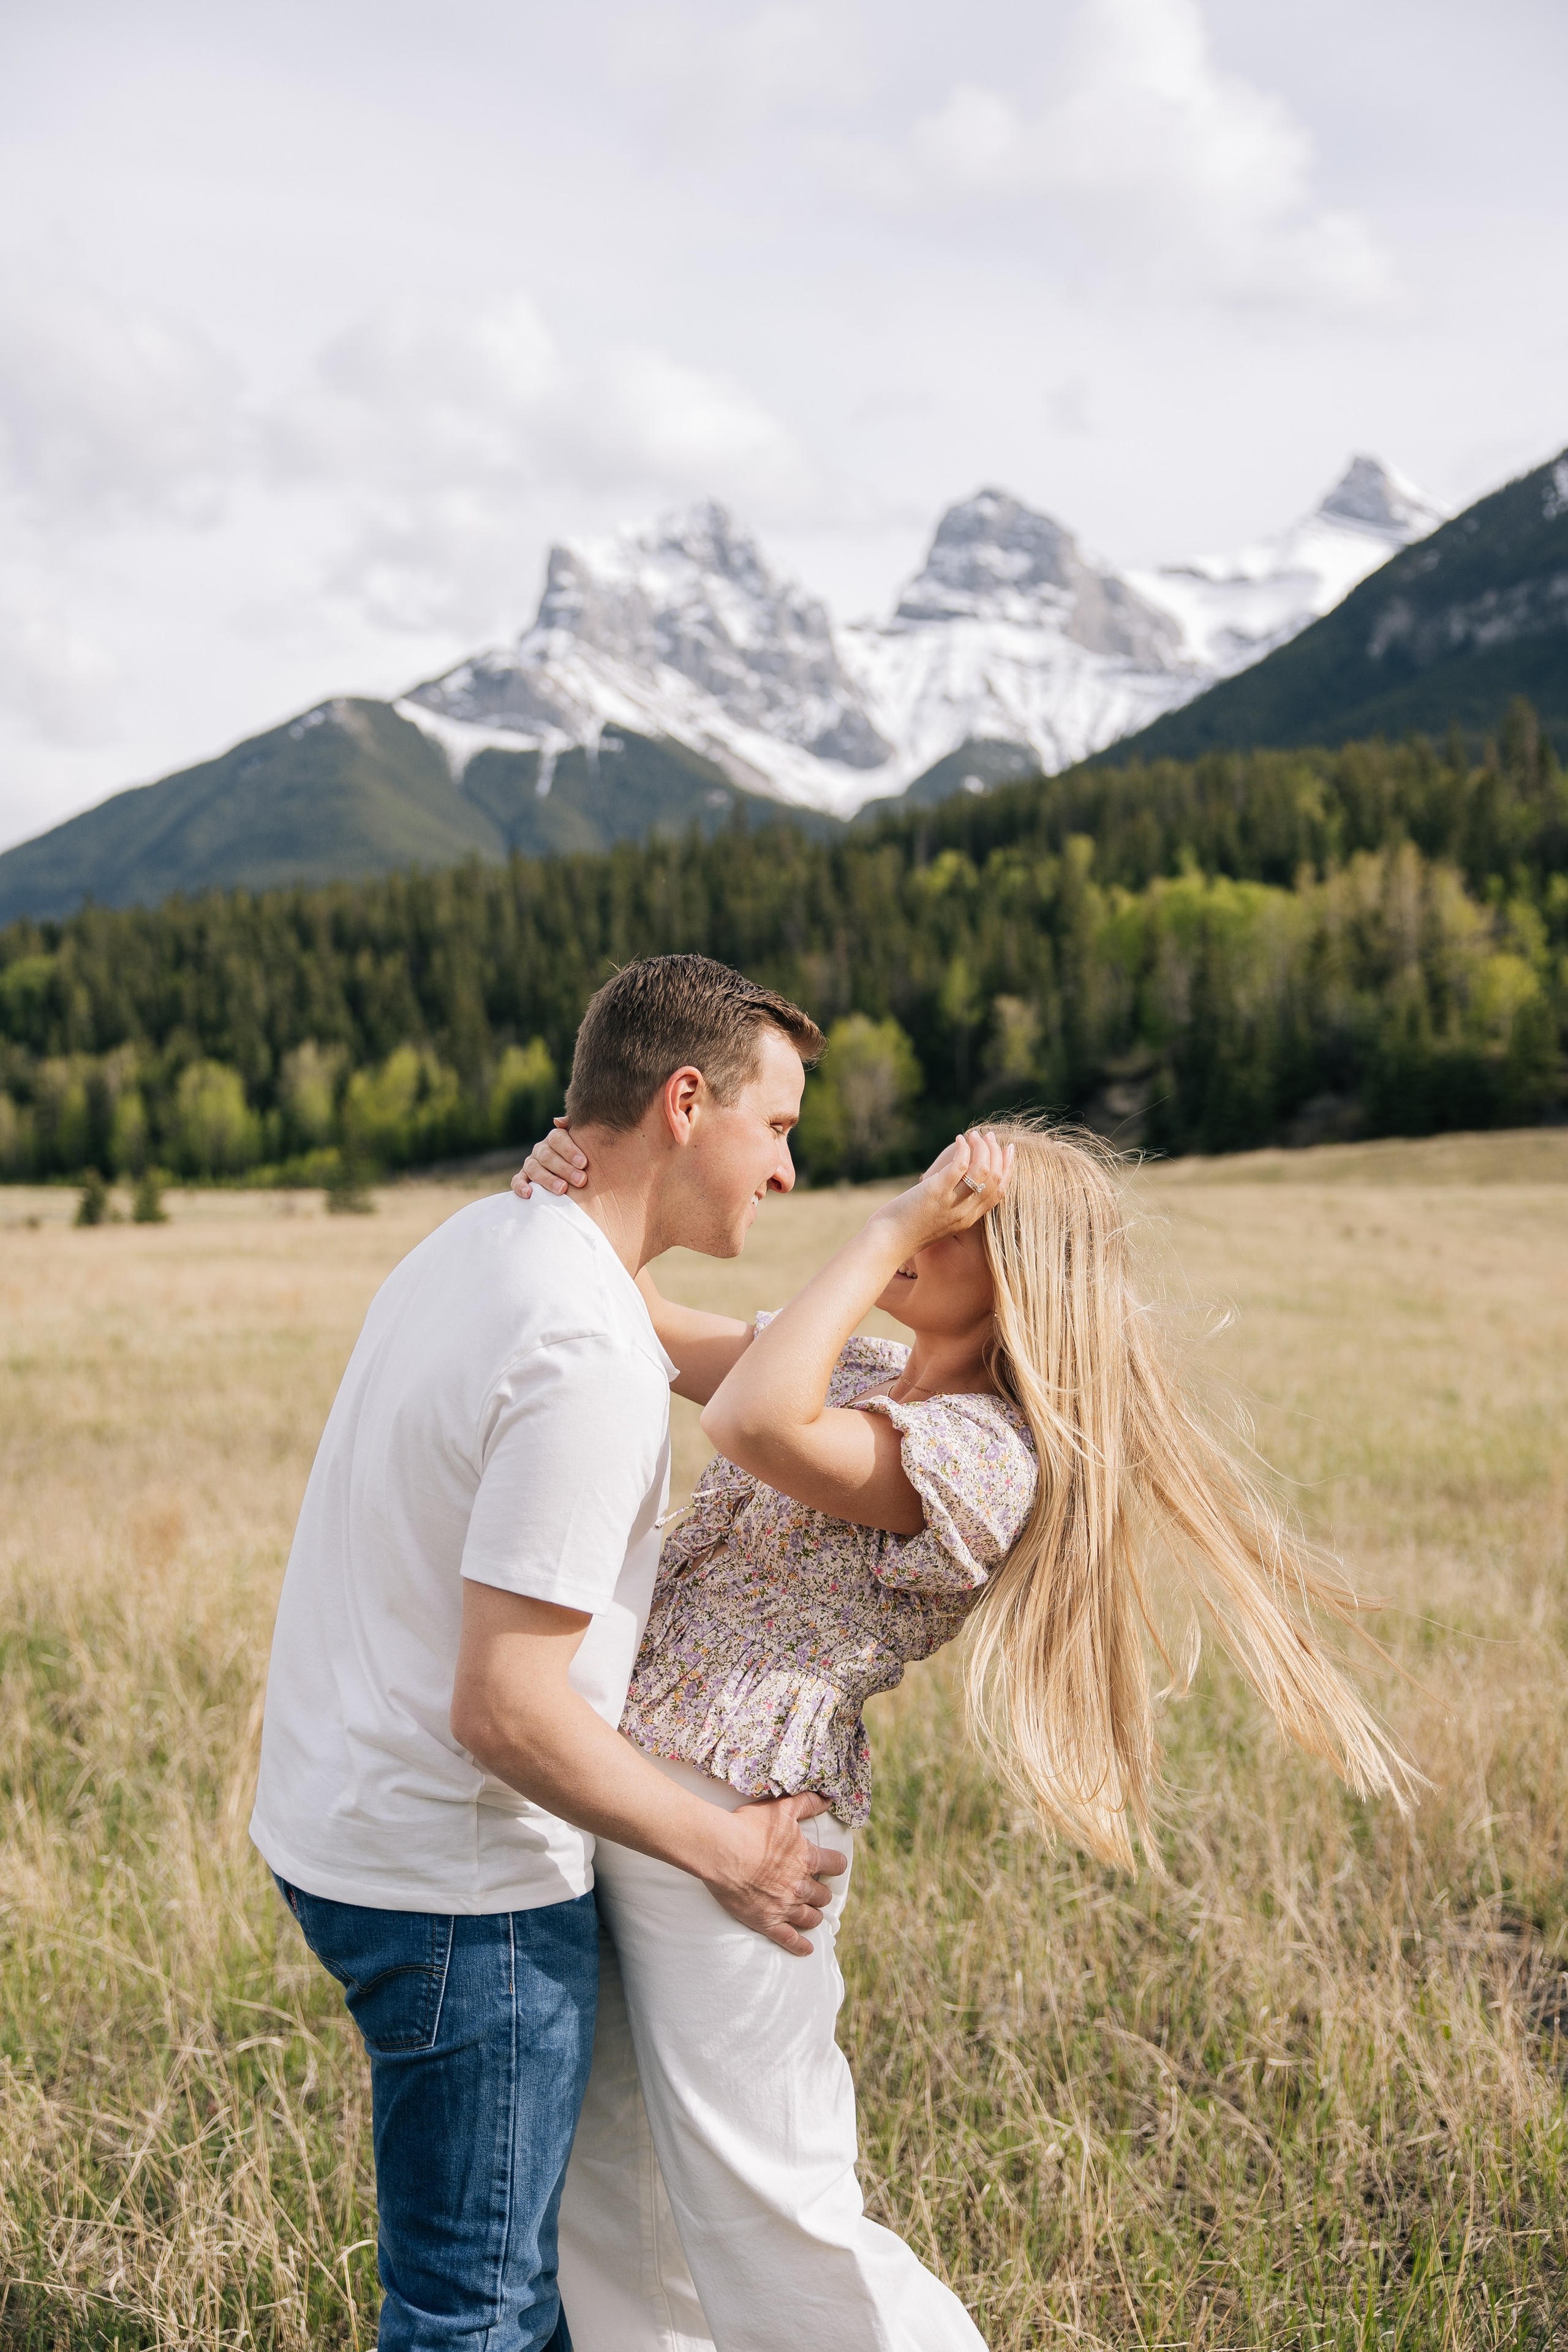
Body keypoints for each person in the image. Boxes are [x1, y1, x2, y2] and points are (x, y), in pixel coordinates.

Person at [514, 1111, 1414, 2352]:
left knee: (772, 2203)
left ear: (1016, 1275)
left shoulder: (984, 1458)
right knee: (604, 2185)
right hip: (629, 1797)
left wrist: (886, 1228)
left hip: (744, 1827)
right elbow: (634, 1328)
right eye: (927, 1193)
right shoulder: (856, 1368)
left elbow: (750, 1427)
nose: (922, 1219)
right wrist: (560, 1200)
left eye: (960, 1218)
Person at [249, 954, 847, 2352]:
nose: (784, 1176)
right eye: (779, 1129)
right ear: (685, 1103)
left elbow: (736, 1362)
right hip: (462, 1893)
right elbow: (506, 1711)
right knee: (480, 2314)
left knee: (513, 2286)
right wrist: (734, 1855)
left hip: (343, 1822)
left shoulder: (487, 1239)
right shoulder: (581, 1343)